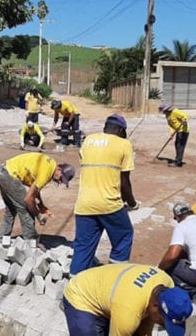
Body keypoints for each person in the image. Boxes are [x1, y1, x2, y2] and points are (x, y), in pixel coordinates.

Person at [70, 114, 139, 277]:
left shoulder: (88, 141)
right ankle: (113, 277)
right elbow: (124, 181)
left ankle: (73, 290)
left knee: (83, 246)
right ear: (121, 129)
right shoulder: (124, 144)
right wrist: (132, 203)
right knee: (124, 235)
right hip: (109, 204)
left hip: (84, 205)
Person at [62, 263, 192, 336]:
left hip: (112, 295)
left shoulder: (167, 282)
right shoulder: (128, 313)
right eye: (164, 322)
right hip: (82, 295)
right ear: (155, 306)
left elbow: (145, 328)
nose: (162, 325)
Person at [0, 153, 75, 240]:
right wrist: (39, 215)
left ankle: (2, 239)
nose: (59, 182)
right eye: (61, 178)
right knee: (27, 210)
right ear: (59, 169)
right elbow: (28, 199)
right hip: (10, 175)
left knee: (11, 209)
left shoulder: (50, 165)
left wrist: (42, 206)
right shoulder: (47, 172)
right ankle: (30, 244)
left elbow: (34, 190)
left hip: (2, 172)